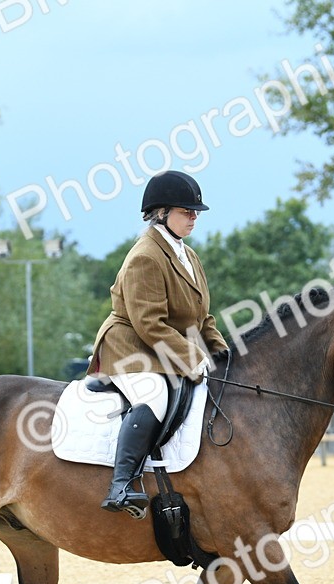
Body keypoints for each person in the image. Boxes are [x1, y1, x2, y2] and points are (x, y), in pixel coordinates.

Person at [89, 170, 228, 516]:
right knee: (154, 393)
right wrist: (191, 357)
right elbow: (149, 324)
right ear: (161, 213)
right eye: (186, 211)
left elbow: (201, 318)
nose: (194, 217)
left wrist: (222, 353)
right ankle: (121, 485)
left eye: (196, 212)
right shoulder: (145, 257)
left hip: (162, 344)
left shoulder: (188, 256)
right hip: (130, 347)